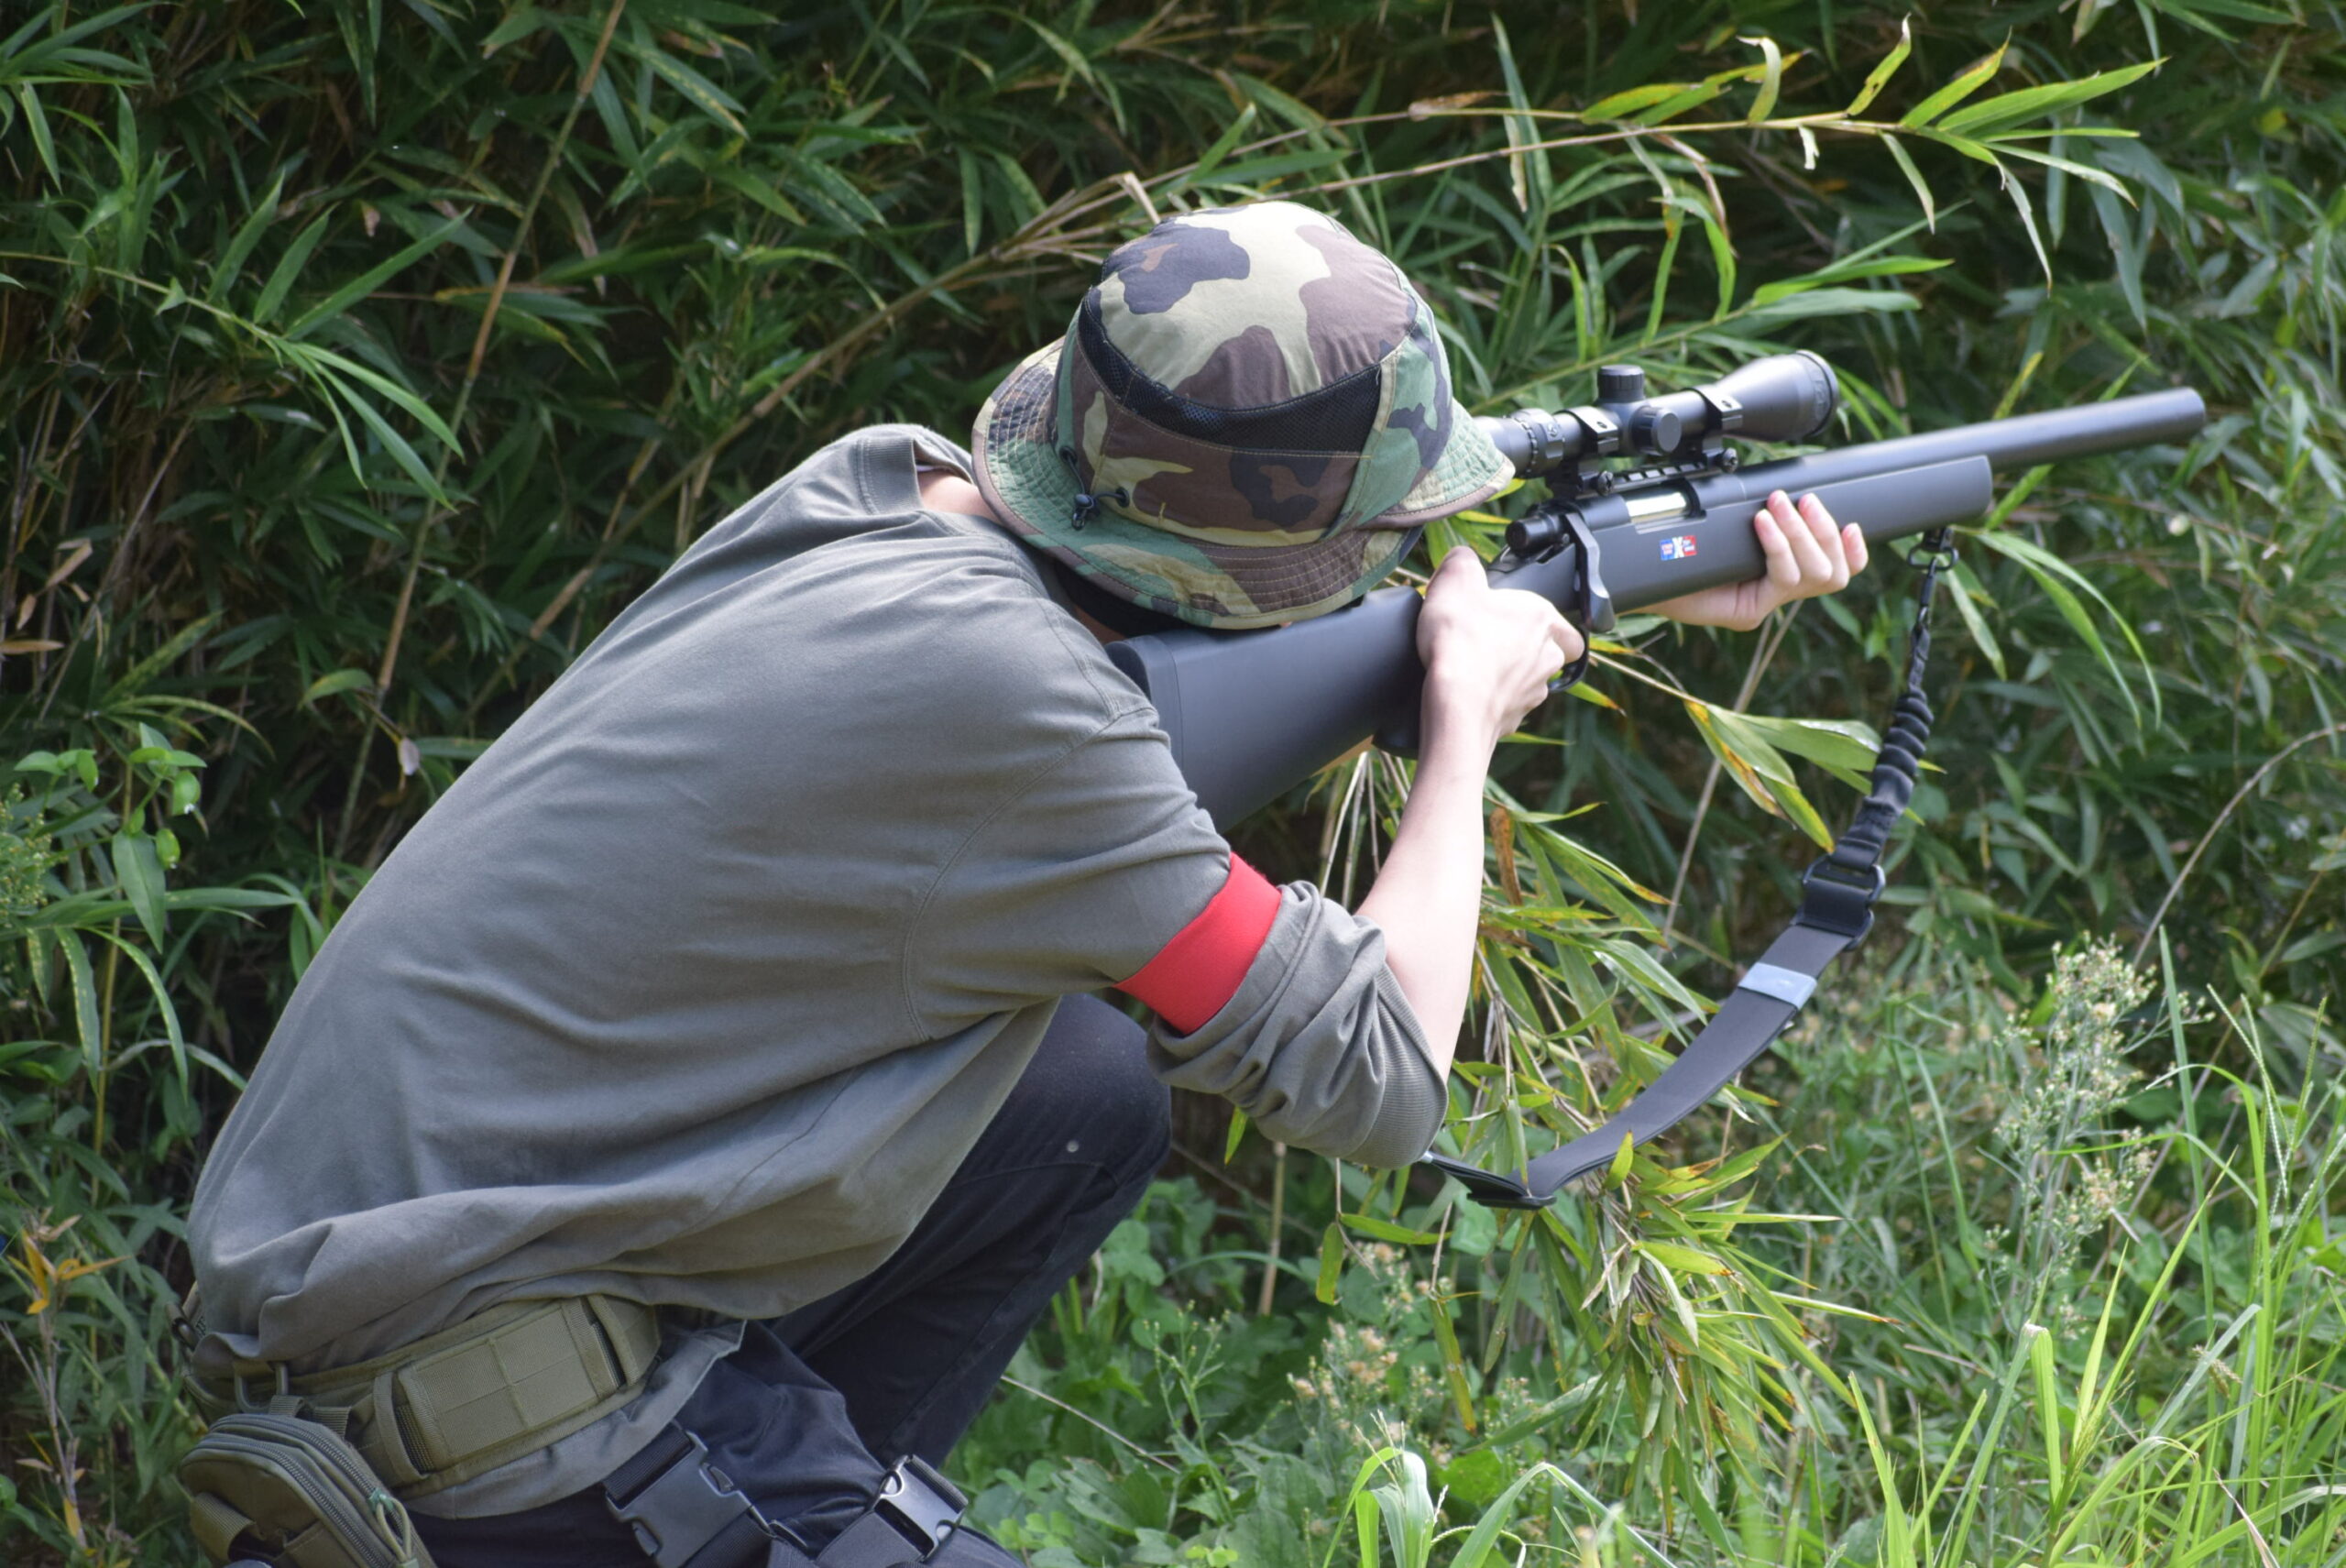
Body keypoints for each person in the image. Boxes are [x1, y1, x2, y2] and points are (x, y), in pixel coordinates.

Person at [181, 202, 1866, 1567]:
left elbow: (1163, 658)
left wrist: (1611, 586)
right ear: (1279, 562)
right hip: (493, 1416)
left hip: (381, 1271)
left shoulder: (875, 491)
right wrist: (1464, 722)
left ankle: (812, 1498)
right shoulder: (1030, 718)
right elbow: (1381, 1080)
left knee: (1079, 1087)